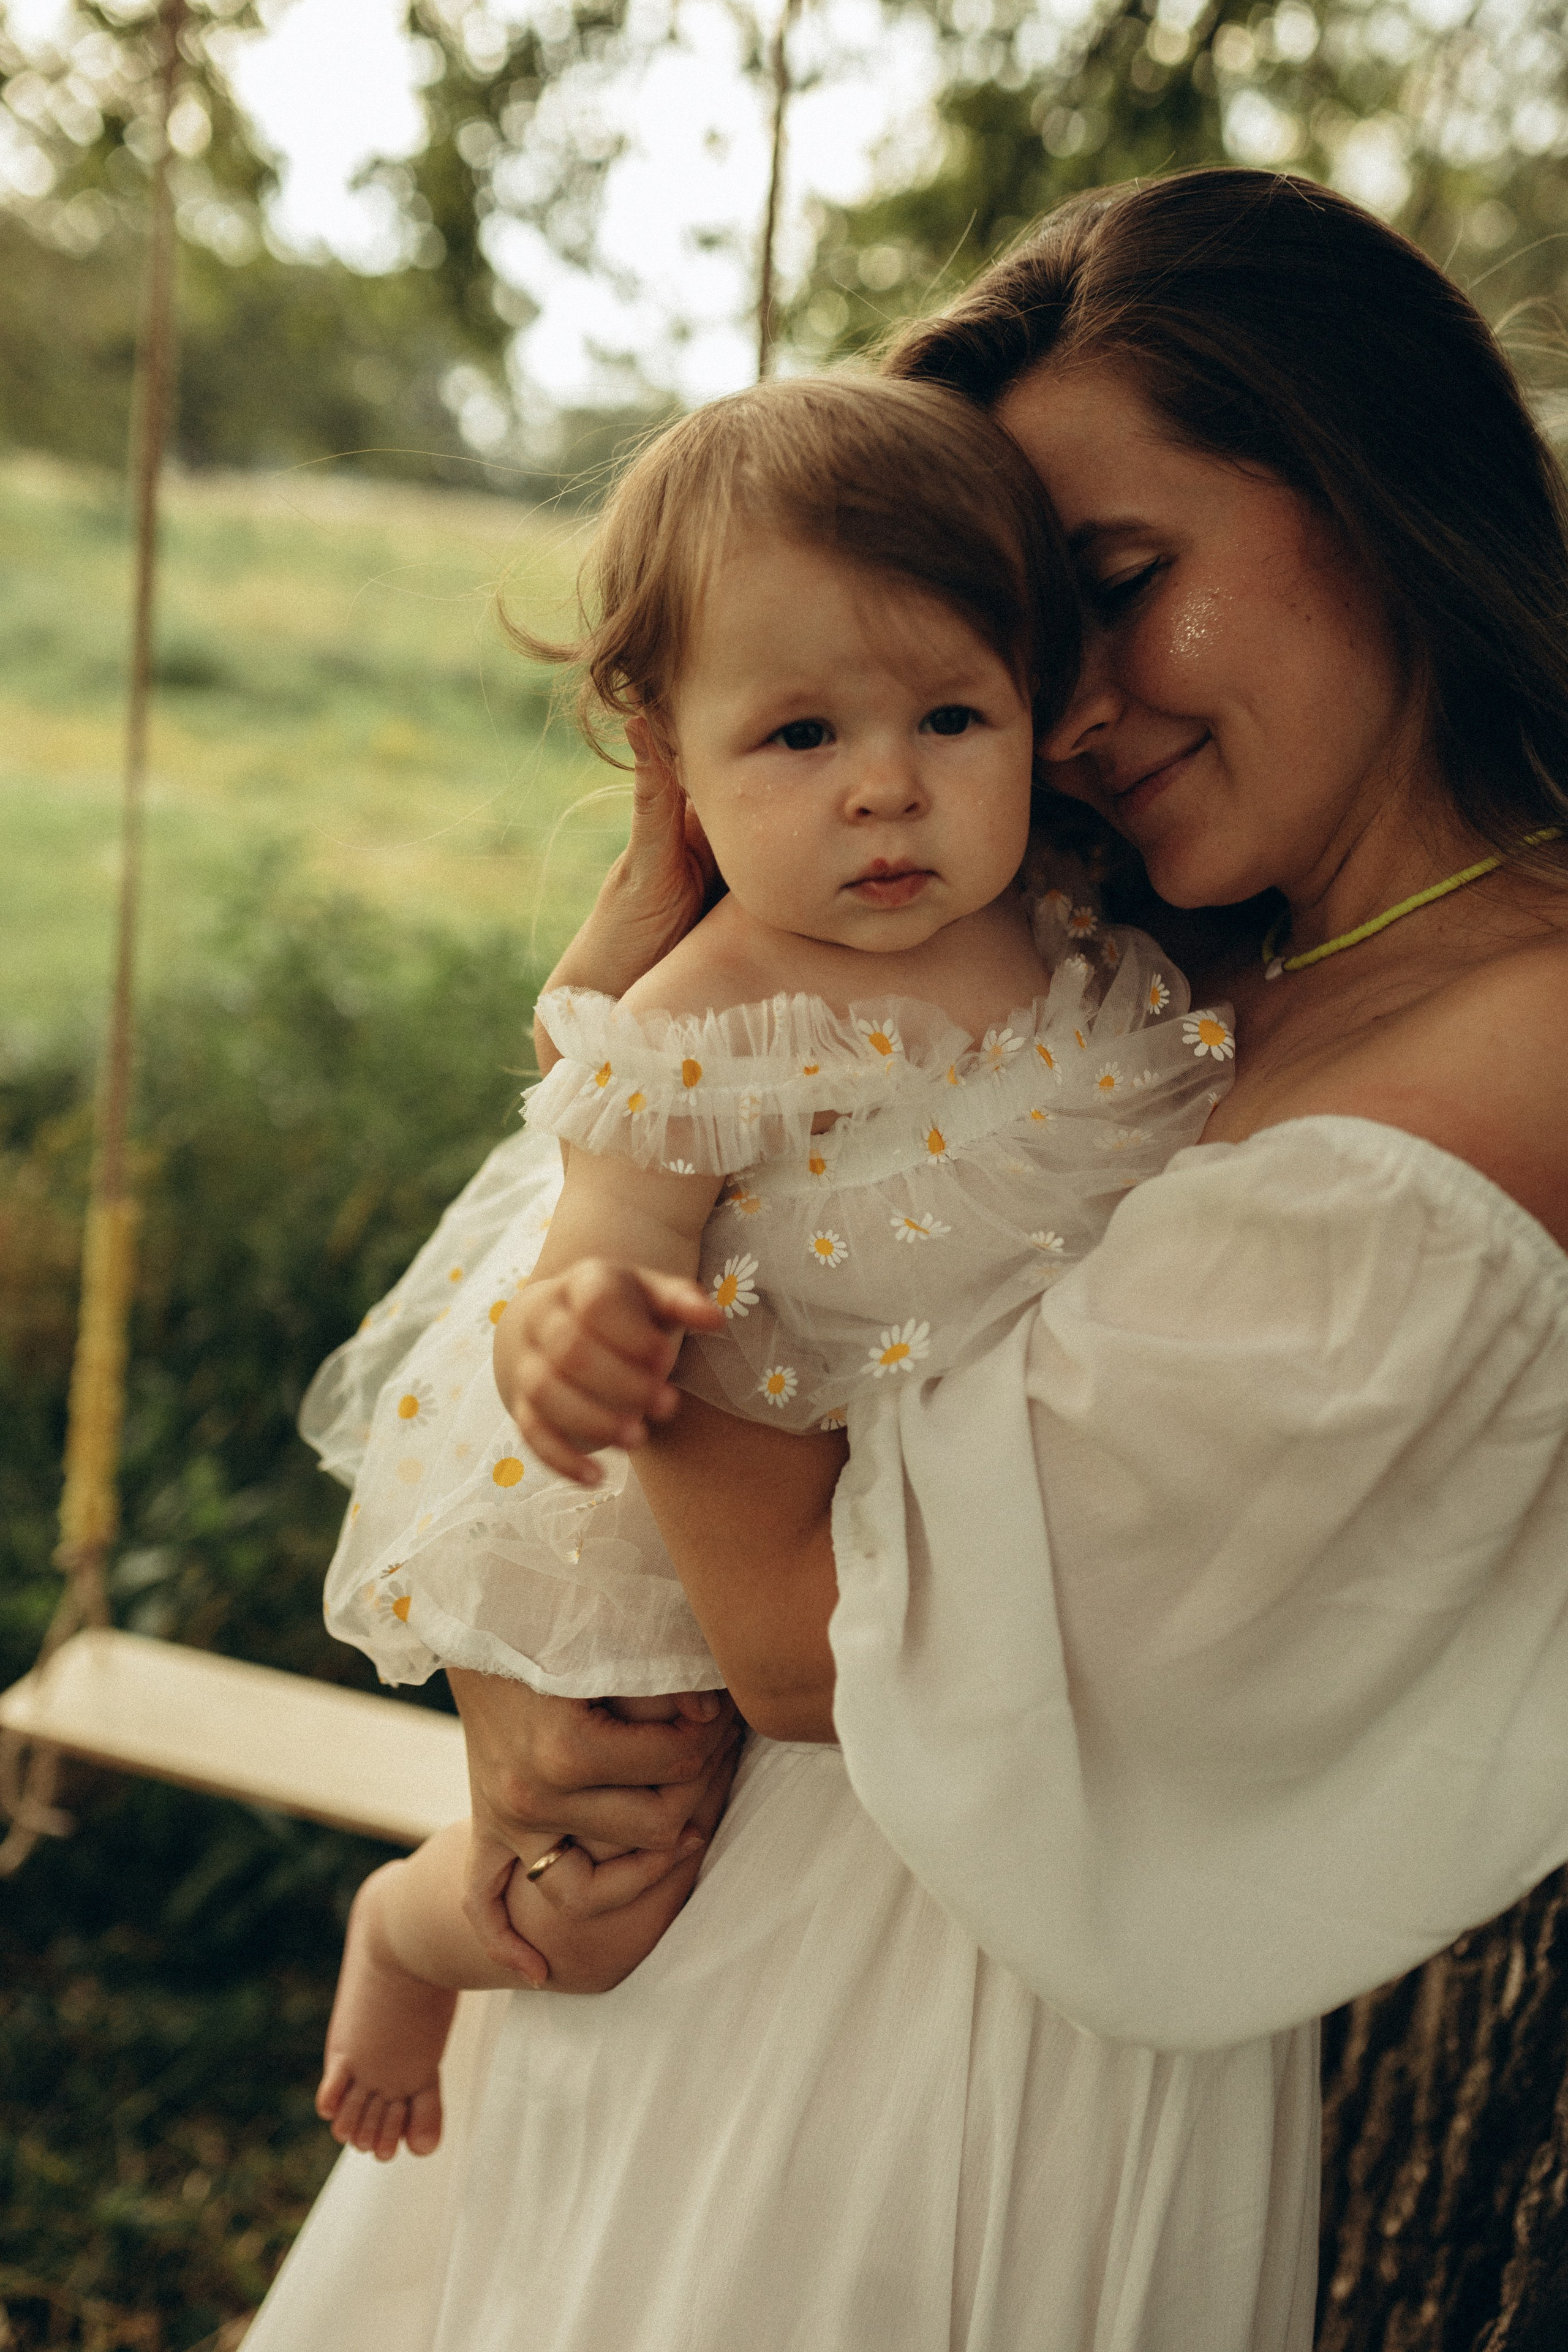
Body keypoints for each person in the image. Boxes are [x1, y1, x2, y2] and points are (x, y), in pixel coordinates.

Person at [249, 168, 1568, 2351]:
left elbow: (812, 1643)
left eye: (1121, 589)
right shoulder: (1162, 933)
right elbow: (564, 1299)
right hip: (704, 1968)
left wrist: (669, 1191)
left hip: (929, 2073)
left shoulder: (1495, 1070)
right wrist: (525, 1675)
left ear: (1371, 485)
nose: (1056, 712)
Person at [303, 370, 1227, 2162]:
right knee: (609, 1887)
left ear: (1035, 712)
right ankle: (412, 1920)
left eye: (951, 717)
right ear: (672, 753)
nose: (888, 791)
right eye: (800, 739)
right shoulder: (697, 1032)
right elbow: (595, 1250)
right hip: (683, 1567)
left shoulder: (1072, 927)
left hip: (930, 1557)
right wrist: (580, 1334)